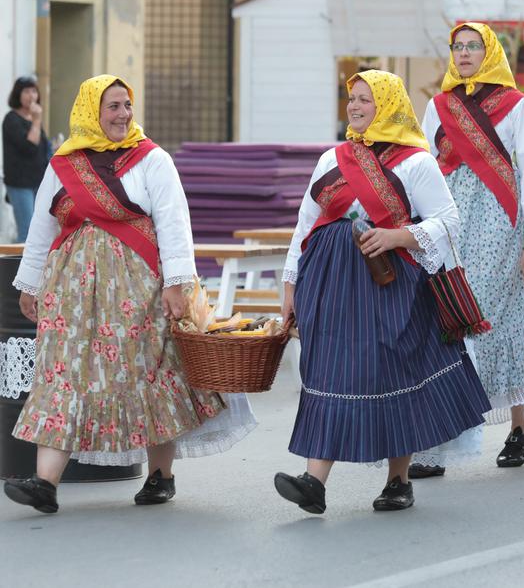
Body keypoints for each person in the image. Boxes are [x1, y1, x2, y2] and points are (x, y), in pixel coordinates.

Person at [3, 75, 256, 514]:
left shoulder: (152, 160)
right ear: (90, 112)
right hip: (71, 294)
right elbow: (41, 229)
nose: (123, 115)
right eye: (113, 107)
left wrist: (178, 285)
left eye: (126, 105)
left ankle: (161, 476)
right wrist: (29, 284)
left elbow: (175, 224)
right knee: (62, 375)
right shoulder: (63, 163)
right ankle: (45, 484)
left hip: (139, 291)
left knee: (149, 374)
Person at [274, 70, 491, 513]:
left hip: (390, 282)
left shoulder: (416, 161)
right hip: (328, 279)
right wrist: (290, 283)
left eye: (365, 100)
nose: (354, 107)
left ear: (389, 106)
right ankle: (314, 482)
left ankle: (398, 479)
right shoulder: (332, 158)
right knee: (327, 372)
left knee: (390, 370)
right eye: (351, 99)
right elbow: (304, 225)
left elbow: (449, 222)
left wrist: (396, 237)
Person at [410, 22, 524, 477]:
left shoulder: (516, 106)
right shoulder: (439, 106)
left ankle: (519, 425)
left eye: (472, 47)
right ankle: (438, 440)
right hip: (448, 217)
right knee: (444, 316)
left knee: (492, 317)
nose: (463, 54)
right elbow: (423, 164)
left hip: (499, 219)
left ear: (490, 52)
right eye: (457, 47)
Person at [3, 76, 50, 242]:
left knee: (39, 229)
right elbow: (29, 147)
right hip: (20, 184)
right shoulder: (11, 119)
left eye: (34, 91)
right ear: (18, 94)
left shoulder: (33, 118)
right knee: (27, 230)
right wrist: (37, 120)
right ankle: (15, 267)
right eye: (26, 91)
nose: (32, 95)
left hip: (37, 181)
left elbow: (41, 146)